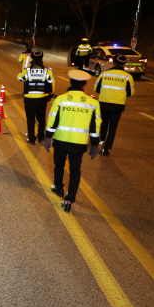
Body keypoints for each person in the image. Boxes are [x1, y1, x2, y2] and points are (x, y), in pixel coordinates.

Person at [44, 70, 101, 212]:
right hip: (79, 143)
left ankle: (58, 187)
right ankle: (69, 199)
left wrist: (47, 137)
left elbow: (53, 120)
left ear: (70, 82)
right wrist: (94, 145)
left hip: (61, 140)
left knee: (59, 165)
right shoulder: (93, 102)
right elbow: (95, 126)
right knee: (75, 171)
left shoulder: (60, 99)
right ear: (85, 84)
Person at [94, 54, 135, 156]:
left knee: (103, 123)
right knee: (112, 127)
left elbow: (96, 89)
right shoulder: (128, 77)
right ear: (124, 64)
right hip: (118, 105)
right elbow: (130, 93)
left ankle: (102, 140)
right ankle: (106, 148)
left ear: (113, 62)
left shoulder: (104, 74)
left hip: (103, 103)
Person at [17, 51, 55, 145]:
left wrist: (20, 73)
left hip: (29, 99)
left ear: (32, 59)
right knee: (41, 118)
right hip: (42, 99)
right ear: (41, 59)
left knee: (30, 119)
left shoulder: (27, 71)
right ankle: (41, 136)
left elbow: (19, 78)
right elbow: (52, 84)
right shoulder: (47, 71)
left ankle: (31, 138)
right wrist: (51, 95)